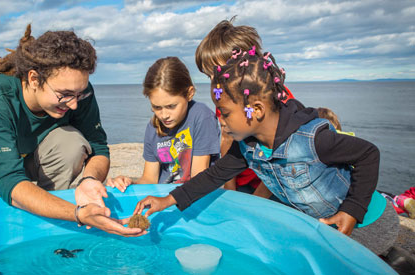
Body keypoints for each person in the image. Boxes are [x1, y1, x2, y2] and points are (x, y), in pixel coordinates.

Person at [134, 47, 401, 258]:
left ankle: (395, 258)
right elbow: (211, 177)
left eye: (225, 114)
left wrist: (353, 211)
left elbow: (368, 154)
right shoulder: (248, 146)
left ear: (257, 110)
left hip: (369, 224)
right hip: (332, 230)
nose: (221, 122)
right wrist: (166, 201)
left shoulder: (312, 139)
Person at [0, 24, 145, 237]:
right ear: (34, 79)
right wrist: (78, 214)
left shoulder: (79, 93)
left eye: (79, 94)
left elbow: (99, 148)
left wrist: (89, 179)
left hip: (41, 160)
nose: (73, 104)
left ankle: (50, 221)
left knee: (70, 143)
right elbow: (8, 180)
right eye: (64, 94)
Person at [194, 18, 296, 199]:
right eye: (209, 76)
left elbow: (283, 160)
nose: (214, 83)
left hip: (276, 185)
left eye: (216, 74)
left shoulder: (277, 98)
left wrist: (256, 201)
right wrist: (230, 189)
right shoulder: (227, 99)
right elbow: (226, 141)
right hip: (242, 178)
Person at [107, 57, 220, 192]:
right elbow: (150, 179)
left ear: (190, 94)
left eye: (171, 106)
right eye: (157, 107)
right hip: (162, 199)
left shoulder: (202, 117)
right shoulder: (153, 127)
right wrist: (127, 184)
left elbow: (198, 179)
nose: (164, 115)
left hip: (192, 198)